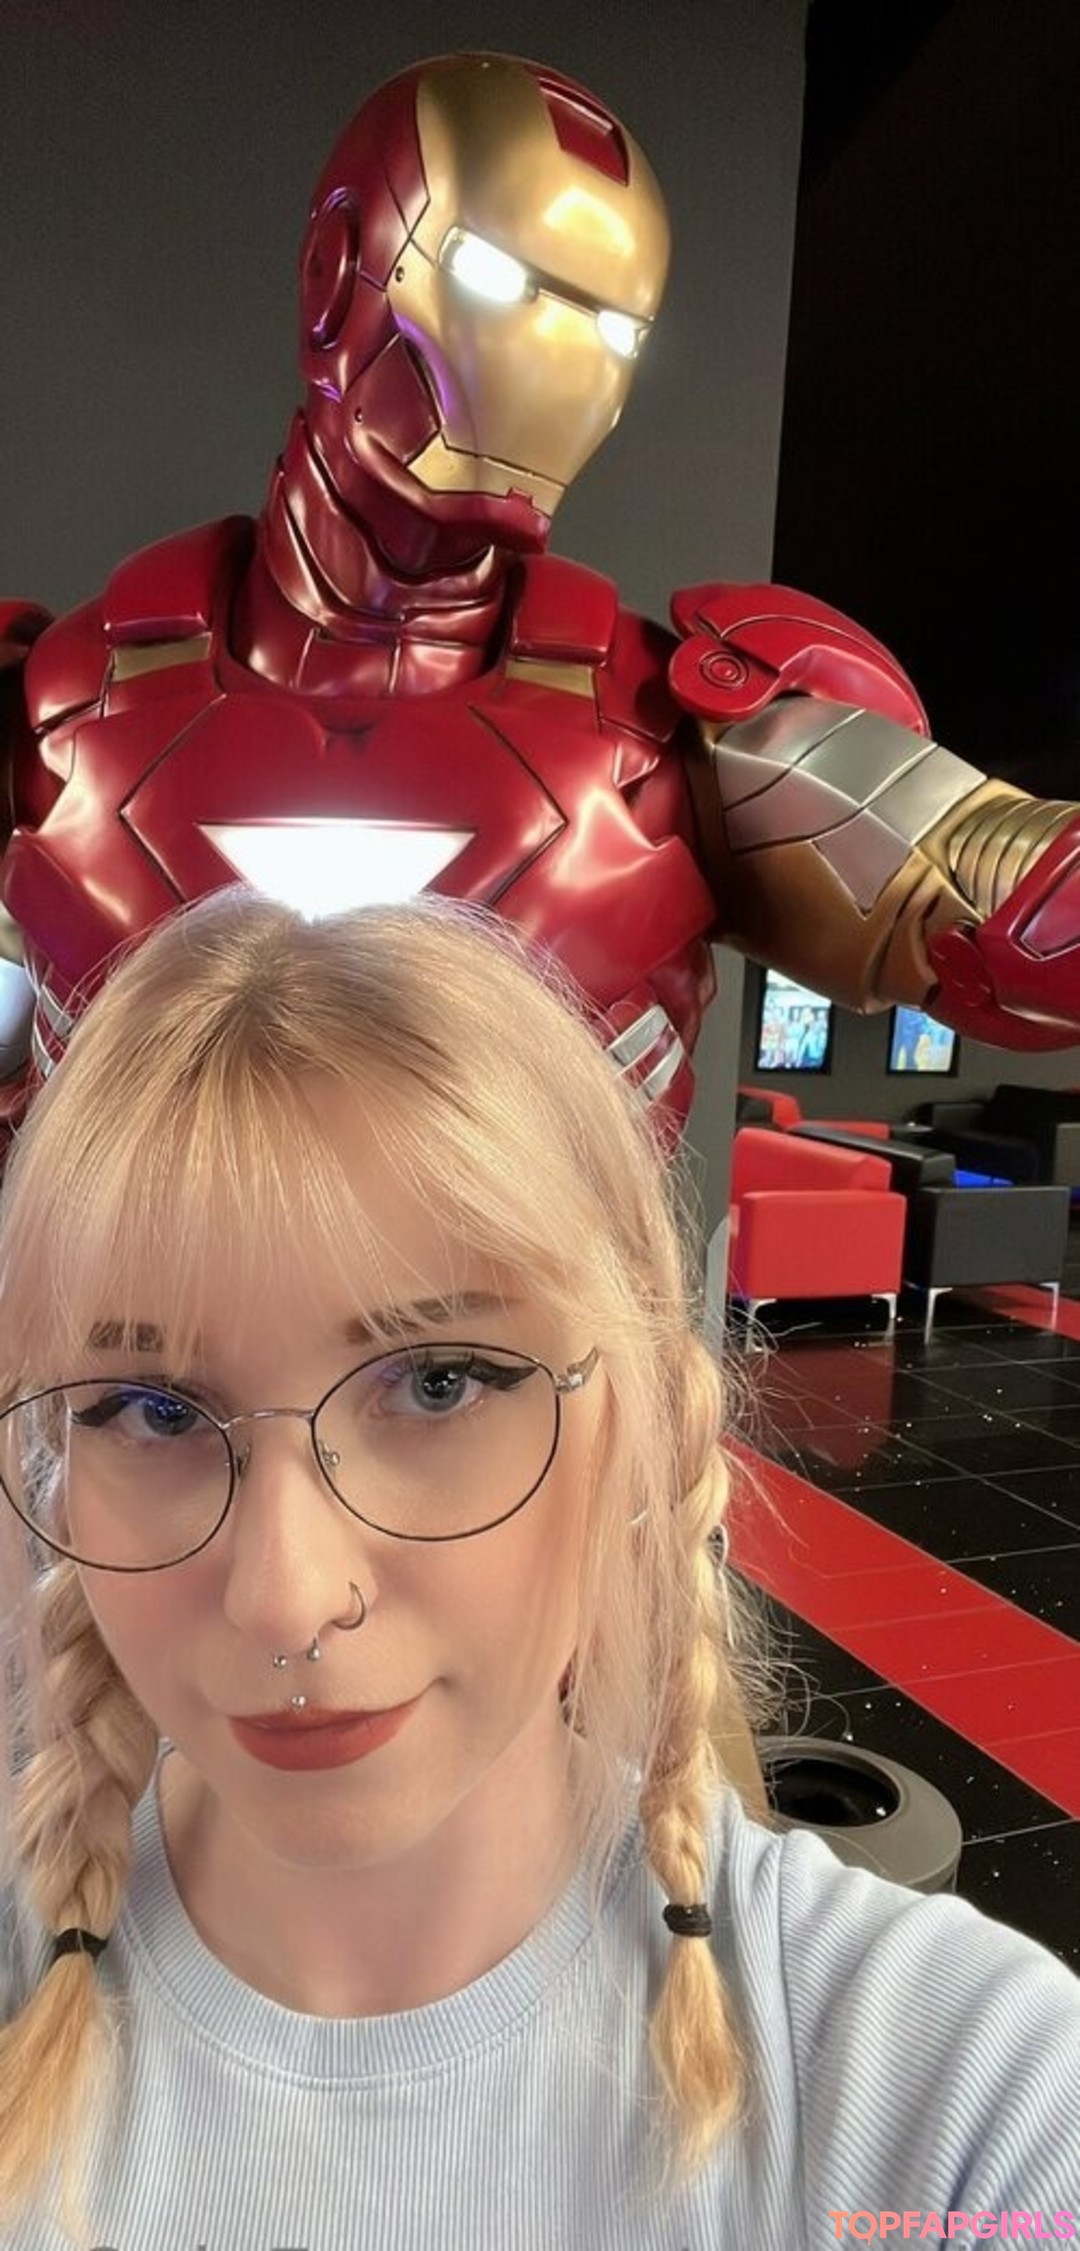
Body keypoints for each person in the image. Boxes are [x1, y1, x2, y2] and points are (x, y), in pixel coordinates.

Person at [0, 887, 1077, 2251]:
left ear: (636, 1414)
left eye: (439, 1380)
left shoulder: (953, 2086)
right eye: (152, 1409)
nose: (286, 1595)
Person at [5, 50, 1080, 1168]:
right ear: (337, 270)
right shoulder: (55, 709)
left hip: (527, 1282)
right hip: (127, 1280)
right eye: (494, 279)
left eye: (612, 329)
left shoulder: (667, 744)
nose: (559, 360)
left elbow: (1017, 898)